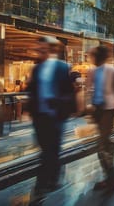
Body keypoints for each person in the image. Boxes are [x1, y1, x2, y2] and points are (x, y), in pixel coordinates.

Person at [26, 36, 73, 196]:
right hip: (40, 116)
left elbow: (68, 92)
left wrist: (58, 103)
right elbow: (31, 91)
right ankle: (53, 178)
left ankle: (41, 184)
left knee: (49, 151)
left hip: (56, 115)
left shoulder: (62, 67)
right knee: (49, 150)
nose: (40, 51)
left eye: (43, 49)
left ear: (51, 49)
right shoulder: (36, 69)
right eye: (38, 49)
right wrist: (30, 110)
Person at [86, 45, 114, 191]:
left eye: (93, 55)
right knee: (105, 143)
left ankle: (111, 177)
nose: (91, 58)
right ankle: (110, 177)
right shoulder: (92, 71)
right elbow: (89, 90)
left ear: (99, 57)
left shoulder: (112, 70)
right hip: (97, 110)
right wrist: (89, 106)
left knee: (101, 144)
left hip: (109, 109)